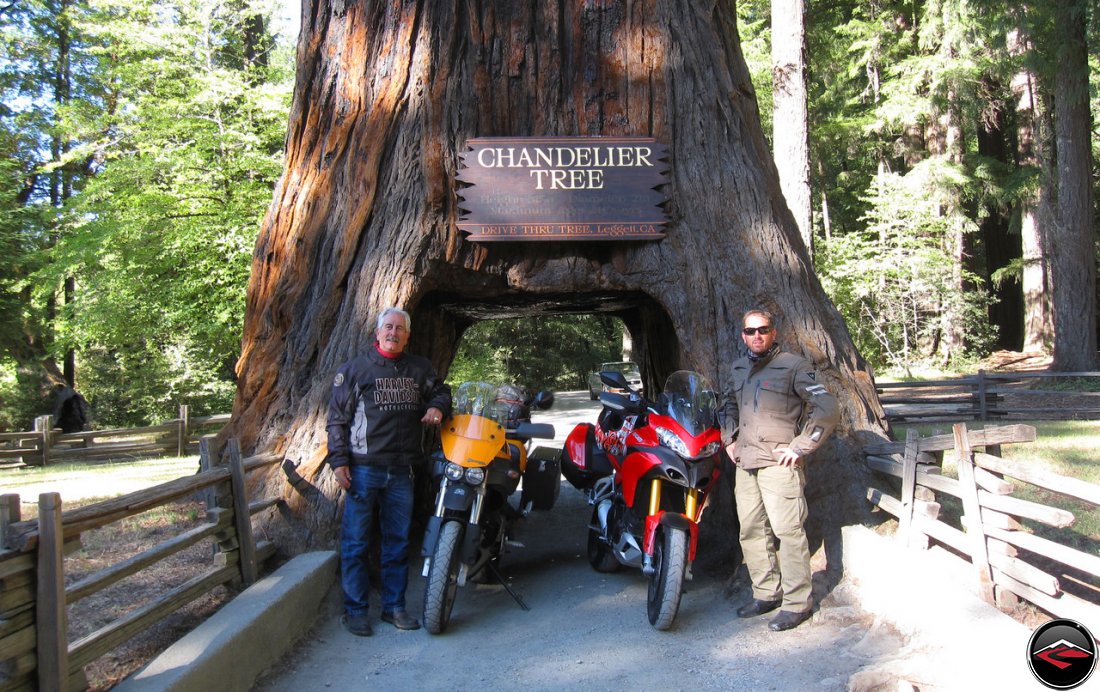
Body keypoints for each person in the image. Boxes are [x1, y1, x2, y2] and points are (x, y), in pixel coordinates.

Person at [326, 307, 452, 636]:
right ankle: (355, 611)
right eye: (388, 327)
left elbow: (441, 390)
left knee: (396, 543)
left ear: (407, 335)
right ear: (377, 332)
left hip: (402, 472)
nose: (393, 333)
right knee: (356, 543)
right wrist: (339, 461)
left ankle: (394, 607)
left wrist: (437, 406)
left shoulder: (419, 369)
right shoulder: (355, 370)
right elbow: (337, 420)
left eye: (399, 328)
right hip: (363, 470)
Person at [721, 308, 839, 632]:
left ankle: (798, 603)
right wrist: (728, 439)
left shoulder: (793, 366)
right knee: (751, 530)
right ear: (742, 334)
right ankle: (766, 593)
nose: (756, 335)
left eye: (763, 329)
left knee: (788, 533)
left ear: (774, 332)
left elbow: (827, 408)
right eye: (750, 331)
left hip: (778, 465)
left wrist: (800, 446)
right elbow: (727, 404)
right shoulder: (738, 367)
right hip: (746, 465)